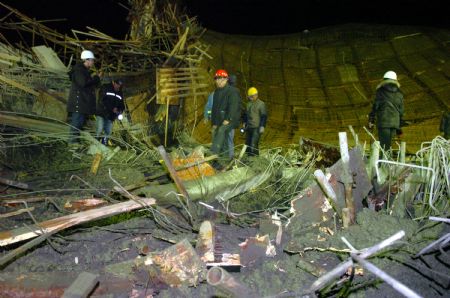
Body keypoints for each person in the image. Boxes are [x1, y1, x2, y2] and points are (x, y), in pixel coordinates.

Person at [66, 50, 101, 144]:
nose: (93, 63)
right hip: (78, 103)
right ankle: (72, 142)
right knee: (76, 122)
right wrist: (96, 78)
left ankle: (75, 141)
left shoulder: (84, 71)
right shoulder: (79, 70)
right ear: (87, 60)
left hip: (82, 103)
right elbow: (83, 83)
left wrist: (96, 79)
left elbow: (91, 85)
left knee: (79, 123)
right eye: (92, 60)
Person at [368, 71, 404, 151]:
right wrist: (399, 128)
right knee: (388, 145)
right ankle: (387, 161)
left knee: (384, 146)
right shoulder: (400, 93)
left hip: (383, 122)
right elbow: (401, 112)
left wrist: (371, 120)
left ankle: (382, 163)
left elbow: (375, 107)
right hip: (395, 123)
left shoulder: (380, 91)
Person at [204, 74, 238, 159]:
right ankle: (224, 158)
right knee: (225, 140)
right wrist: (207, 116)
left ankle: (225, 158)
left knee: (224, 139)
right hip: (219, 122)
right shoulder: (215, 94)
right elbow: (209, 107)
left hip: (224, 122)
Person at [95, 79, 125, 145]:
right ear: (113, 82)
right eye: (117, 85)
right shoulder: (105, 87)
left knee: (108, 131)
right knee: (99, 128)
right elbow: (101, 100)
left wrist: (119, 111)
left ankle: (104, 144)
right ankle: (95, 143)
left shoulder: (120, 92)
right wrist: (111, 108)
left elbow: (122, 105)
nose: (118, 87)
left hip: (111, 116)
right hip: (102, 113)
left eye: (120, 85)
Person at [242, 87, 267, 156]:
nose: (251, 98)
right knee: (247, 143)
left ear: (256, 95)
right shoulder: (248, 104)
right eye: (250, 97)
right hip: (249, 127)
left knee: (253, 143)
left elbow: (263, 116)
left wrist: (262, 126)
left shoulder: (261, 104)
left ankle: (255, 159)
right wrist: (244, 122)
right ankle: (249, 157)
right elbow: (245, 115)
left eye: (252, 96)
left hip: (257, 127)